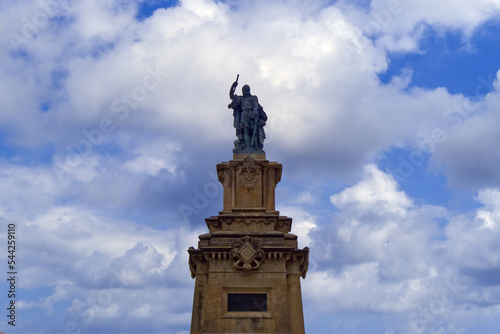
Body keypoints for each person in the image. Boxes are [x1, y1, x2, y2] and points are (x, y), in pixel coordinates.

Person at [228, 80, 266, 151]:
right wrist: (233, 86)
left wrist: (255, 112)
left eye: (247, 90)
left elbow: (256, 105)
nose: (246, 91)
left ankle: (256, 147)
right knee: (246, 131)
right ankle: (247, 147)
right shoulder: (241, 99)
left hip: (252, 115)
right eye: (245, 90)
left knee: (254, 132)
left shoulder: (254, 97)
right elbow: (231, 96)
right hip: (244, 115)